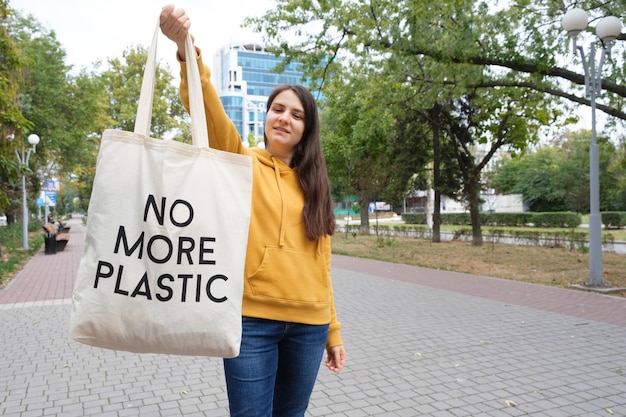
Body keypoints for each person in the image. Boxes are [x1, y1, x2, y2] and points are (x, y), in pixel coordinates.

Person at [159, 5, 346, 417]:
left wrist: (332, 331)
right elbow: (208, 112)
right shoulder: (239, 162)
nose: (285, 118)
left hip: (310, 326)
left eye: (296, 115)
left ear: (306, 129)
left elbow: (323, 264)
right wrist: (186, 49)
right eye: (278, 109)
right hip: (252, 321)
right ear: (265, 117)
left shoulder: (315, 186)